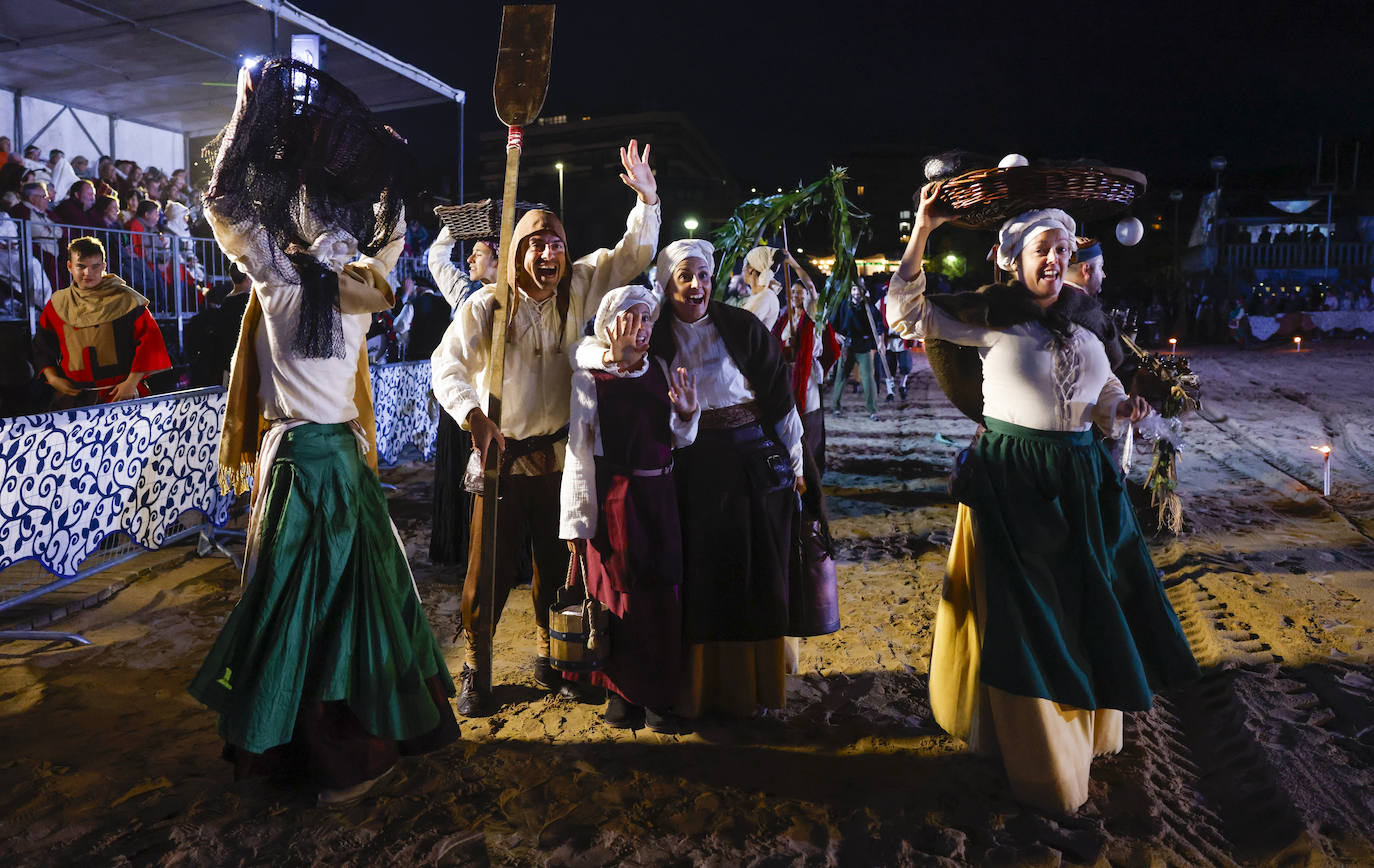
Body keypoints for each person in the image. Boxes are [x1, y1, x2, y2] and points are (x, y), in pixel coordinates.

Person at [187, 58, 458, 805]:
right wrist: (249, 121)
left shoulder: (320, 285)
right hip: (317, 460)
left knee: (322, 602)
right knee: (325, 605)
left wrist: (385, 183)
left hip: (320, 461)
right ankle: (320, 749)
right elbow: (230, 204)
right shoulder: (319, 282)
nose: (313, 229)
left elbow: (230, 202)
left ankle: (311, 747)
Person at [887, 184, 1199, 813]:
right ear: (1013, 259)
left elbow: (1104, 385)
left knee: (1085, 605)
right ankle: (1039, 758)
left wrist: (1122, 407)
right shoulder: (988, 315)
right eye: (1042, 250)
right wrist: (923, 229)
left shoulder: (1087, 318)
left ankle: (1083, 731)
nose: (1055, 259)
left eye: (1063, 248)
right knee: (1027, 619)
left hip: (1082, 480)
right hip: (1014, 483)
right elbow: (905, 311)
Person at [431, 140, 661, 716]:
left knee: (554, 567)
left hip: (559, 462)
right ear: (516, 254)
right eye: (536, 244)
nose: (550, 254)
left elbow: (627, 257)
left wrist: (648, 201)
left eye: (557, 243)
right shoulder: (486, 307)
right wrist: (473, 416)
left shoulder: (578, 288)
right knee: (485, 574)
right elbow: (447, 364)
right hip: (501, 458)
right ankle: (476, 668)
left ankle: (550, 654)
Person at [645, 238, 805, 719]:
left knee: (751, 575)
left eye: (704, 276)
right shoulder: (652, 337)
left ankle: (751, 691)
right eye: (685, 276)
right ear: (665, 284)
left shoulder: (742, 326)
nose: (697, 285)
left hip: (749, 467)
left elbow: (779, 401)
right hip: (689, 471)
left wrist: (797, 468)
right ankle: (698, 689)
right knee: (698, 579)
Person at [561, 286, 699, 732]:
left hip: (661, 495)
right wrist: (577, 522)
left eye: (648, 321)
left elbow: (681, 439)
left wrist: (688, 413)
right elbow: (578, 451)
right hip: (616, 500)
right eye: (633, 319)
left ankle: (658, 697)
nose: (642, 329)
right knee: (619, 596)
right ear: (610, 322)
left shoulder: (659, 369)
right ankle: (620, 695)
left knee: (661, 595)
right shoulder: (590, 378)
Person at [426, 228, 500, 570]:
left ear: (499, 257)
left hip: (500, 406)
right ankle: (462, 552)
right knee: (464, 480)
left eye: (479, 253)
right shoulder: (464, 292)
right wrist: (451, 231)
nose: (469, 259)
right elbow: (436, 259)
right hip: (464, 409)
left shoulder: (522, 295)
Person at [31, 236, 171, 408]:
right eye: (81, 266)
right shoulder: (58, 304)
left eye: (95, 266)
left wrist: (132, 383)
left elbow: (150, 342)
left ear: (104, 266)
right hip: (73, 400)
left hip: (122, 396)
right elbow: (43, 346)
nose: (88, 273)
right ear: (70, 266)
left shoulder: (126, 299)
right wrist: (53, 378)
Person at [775, 277, 838, 475]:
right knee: (788, 420)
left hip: (806, 375)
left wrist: (791, 261)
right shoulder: (785, 317)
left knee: (808, 418)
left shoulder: (813, 313)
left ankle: (811, 466)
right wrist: (787, 345)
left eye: (799, 292)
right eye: (793, 292)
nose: (795, 295)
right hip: (786, 375)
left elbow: (812, 287)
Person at [829, 282, 882, 420]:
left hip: (863, 346)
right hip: (847, 346)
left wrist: (880, 340)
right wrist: (835, 334)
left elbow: (879, 324)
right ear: (850, 291)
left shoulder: (869, 307)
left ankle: (872, 410)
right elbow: (831, 323)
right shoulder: (843, 305)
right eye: (854, 289)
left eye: (859, 290)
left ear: (863, 291)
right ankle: (835, 407)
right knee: (841, 376)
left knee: (868, 378)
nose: (856, 293)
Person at [740, 245, 783, 329]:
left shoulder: (766, 296)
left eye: (744, 264)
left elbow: (744, 326)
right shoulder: (759, 295)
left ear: (751, 269)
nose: (742, 269)